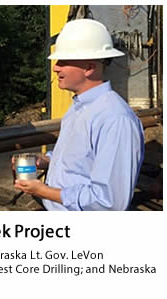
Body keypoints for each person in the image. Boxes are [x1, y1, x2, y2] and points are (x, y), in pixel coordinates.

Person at [14, 19, 144, 211]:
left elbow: (108, 203)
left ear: (90, 68)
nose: (56, 67)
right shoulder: (79, 106)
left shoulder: (115, 119)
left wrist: (42, 191)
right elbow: (80, 160)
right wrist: (47, 160)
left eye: (64, 61)